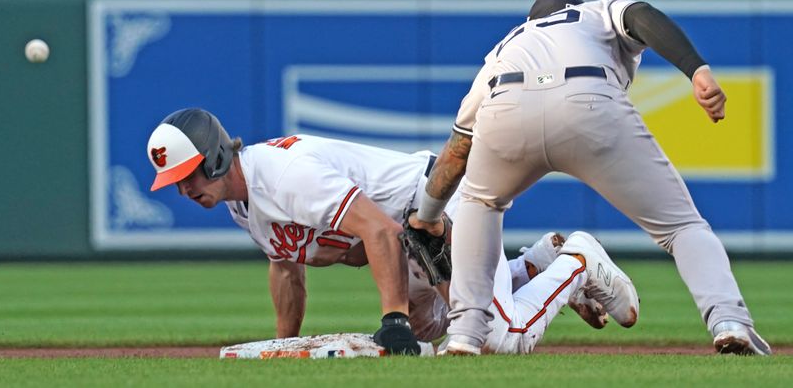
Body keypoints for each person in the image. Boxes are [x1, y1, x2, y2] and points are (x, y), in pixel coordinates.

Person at [408, 0, 772, 356]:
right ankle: (729, 322)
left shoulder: (505, 47)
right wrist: (696, 69)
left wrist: (426, 217)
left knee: (479, 202)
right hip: (588, 100)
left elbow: (456, 154)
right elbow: (642, 15)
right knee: (682, 227)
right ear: (572, 8)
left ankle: (465, 333)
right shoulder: (593, 14)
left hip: (506, 105)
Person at [146, 108, 638, 354]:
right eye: (174, 182)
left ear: (212, 157)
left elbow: (378, 231)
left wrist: (393, 319)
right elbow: (287, 272)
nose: (183, 189)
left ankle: (577, 259)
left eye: (186, 175)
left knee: (498, 338)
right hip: (409, 239)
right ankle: (534, 264)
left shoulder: (283, 175)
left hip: (434, 210)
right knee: (434, 330)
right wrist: (284, 346)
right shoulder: (243, 205)